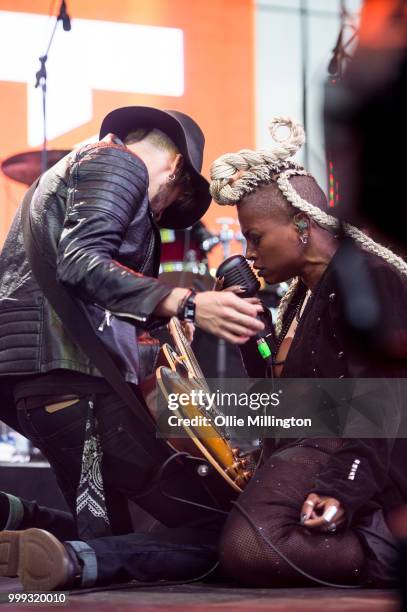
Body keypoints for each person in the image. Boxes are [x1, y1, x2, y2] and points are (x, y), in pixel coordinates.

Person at [0, 106, 264, 590]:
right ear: (177, 166)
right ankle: (57, 549)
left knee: (116, 535)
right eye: (167, 204)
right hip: (71, 383)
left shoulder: (68, 173)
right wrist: (183, 302)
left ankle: (14, 519)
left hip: (38, 384)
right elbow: (81, 261)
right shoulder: (121, 164)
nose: (157, 213)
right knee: (220, 531)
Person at [208, 117, 407, 587]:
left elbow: (382, 397)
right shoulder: (300, 296)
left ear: (301, 225)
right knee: (208, 526)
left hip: (358, 455)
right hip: (309, 444)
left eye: (255, 237)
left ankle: (385, 546)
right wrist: (249, 333)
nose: (249, 253)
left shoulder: (368, 278)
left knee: (252, 547)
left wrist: (343, 488)